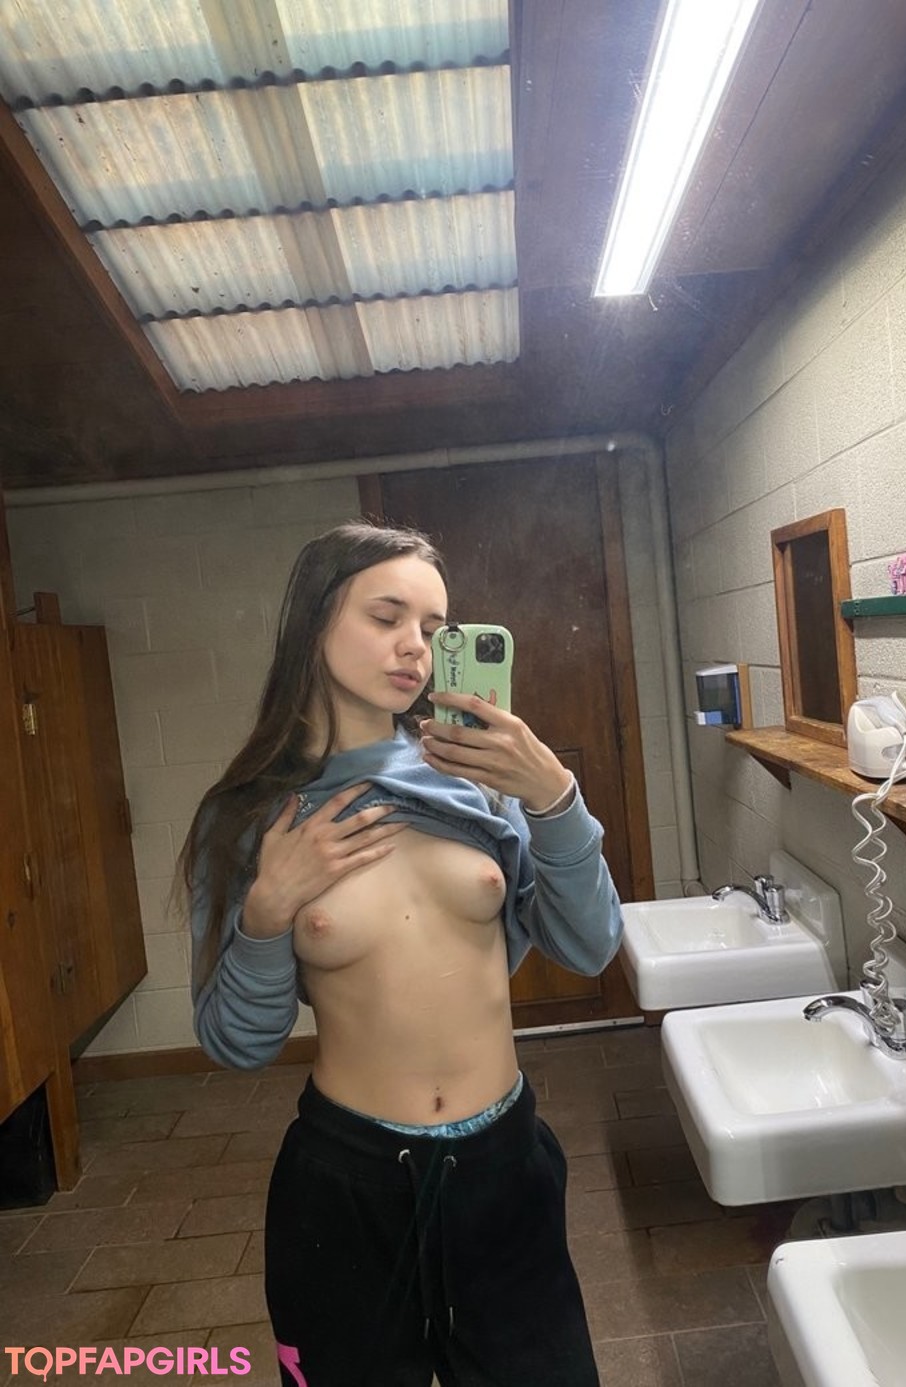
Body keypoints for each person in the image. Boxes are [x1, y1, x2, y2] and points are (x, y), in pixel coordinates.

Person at [179, 520, 623, 1387]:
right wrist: (268, 910)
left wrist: (555, 798)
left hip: (503, 1166)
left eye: (432, 626)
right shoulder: (248, 817)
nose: (415, 646)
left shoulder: (473, 778)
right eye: (387, 617)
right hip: (344, 1186)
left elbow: (590, 943)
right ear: (314, 623)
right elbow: (238, 1041)